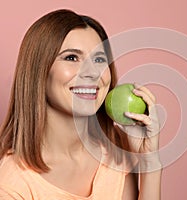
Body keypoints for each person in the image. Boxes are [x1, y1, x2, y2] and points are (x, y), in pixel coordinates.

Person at [0, 9, 162, 199]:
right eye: (71, 58)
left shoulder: (118, 147)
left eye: (99, 59)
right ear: (39, 72)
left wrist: (150, 162)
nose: (92, 72)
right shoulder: (11, 186)